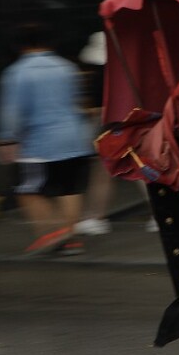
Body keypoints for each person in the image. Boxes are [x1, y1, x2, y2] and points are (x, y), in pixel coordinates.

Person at [0, 23, 95, 256]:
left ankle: (52, 234)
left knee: (26, 190)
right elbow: (78, 102)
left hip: (40, 142)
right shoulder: (67, 67)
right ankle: (71, 240)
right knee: (69, 189)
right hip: (74, 138)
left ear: (19, 45)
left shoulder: (17, 72)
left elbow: (12, 110)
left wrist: (7, 140)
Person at [74, 32, 114, 237]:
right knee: (138, 171)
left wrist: (86, 112)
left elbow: (98, 108)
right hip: (123, 123)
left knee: (102, 173)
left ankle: (96, 217)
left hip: (108, 126)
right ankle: (95, 217)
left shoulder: (100, 76)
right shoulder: (120, 72)